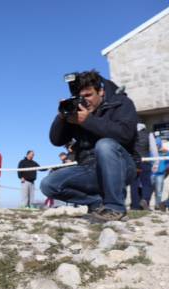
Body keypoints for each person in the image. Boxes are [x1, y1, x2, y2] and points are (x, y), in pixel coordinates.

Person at [40, 70, 137, 222]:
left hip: (122, 165)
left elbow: (125, 134)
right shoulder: (78, 111)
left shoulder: (121, 103)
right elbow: (56, 140)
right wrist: (62, 116)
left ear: (101, 91)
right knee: (49, 184)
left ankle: (115, 208)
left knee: (105, 145)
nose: (85, 101)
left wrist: (88, 121)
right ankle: (97, 203)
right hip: (89, 167)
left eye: (88, 95)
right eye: (81, 97)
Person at [129, 123, 158, 210]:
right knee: (146, 182)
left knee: (134, 184)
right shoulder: (148, 134)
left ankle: (135, 206)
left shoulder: (130, 133)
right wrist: (156, 163)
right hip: (145, 160)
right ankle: (145, 200)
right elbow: (154, 149)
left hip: (133, 161)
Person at [152, 133, 168, 211]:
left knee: (158, 191)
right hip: (150, 173)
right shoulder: (150, 151)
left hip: (160, 174)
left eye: (157, 145)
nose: (156, 146)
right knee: (148, 190)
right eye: (155, 145)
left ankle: (158, 205)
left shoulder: (165, 152)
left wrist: (165, 169)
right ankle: (145, 204)